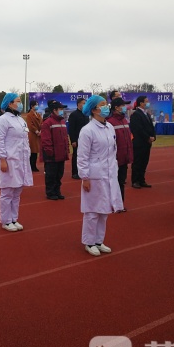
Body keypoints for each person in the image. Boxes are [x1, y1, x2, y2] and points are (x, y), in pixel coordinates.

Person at [78, 95, 123, 256]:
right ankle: (89, 242)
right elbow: (82, 156)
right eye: (102, 105)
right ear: (94, 109)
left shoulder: (109, 127)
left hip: (108, 174)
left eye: (106, 104)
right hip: (94, 175)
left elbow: (112, 152)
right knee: (92, 211)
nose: (106, 107)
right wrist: (85, 177)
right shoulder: (87, 130)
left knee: (104, 210)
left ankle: (99, 240)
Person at [0, 93, 33, 231]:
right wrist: (2, 159)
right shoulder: (3, 120)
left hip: (21, 160)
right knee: (7, 191)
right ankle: (6, 220)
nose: (20, 103)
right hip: (9, 160)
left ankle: (14, 218)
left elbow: (25, 140)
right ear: (10, 104)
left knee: (17, 191)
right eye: (18, 101)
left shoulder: (21, 120)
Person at [107, 97, 133, 209]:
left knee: (121, 181)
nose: (124, 107)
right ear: (116, 107)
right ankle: (112, 203)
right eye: (122, 105)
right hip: (115, 158)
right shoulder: (109, 122)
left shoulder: (124, 120)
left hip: (124, 156)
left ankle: (120, 203)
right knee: (113, 182)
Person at [41, 100, 69, 200]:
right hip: (52, 155)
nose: (62, 111)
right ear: (54, 110)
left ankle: (57, 191)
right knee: (51, 175)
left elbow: (65, 137)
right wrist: (49, 152)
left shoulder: (62, 121)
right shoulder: (47, 122)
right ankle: (50, 192)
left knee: (59, 174)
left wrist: (66, 150)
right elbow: (46, 139)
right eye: (60, 109)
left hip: (61, 153)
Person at [129, 95, 156, 188]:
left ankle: (142, 180)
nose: (148, 103)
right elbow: (137, 129)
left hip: (147, 143)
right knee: (138, 162)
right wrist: (147, 137)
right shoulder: (136, 114)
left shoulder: (147, 114)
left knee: (144, 161)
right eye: (146, 101)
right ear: (141, 103)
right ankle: (135, 181)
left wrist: (153, 137)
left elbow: (151, 127)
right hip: (139, 142)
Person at [68, 98, 89, 179]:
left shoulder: (86, 115)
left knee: (85, 156)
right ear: (78, 104)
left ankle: (83, 171)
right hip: (77, 139)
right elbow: (71, 129)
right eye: (83, 103)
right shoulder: (74, 114)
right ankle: (75, 172)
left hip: (86, 139)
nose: (84, 105)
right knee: (76, 155)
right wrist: (73, 140)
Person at [26, 100, 43, 172]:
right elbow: (30, 125)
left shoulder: (38, 114)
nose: (37, 106)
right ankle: (31, 165)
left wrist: (41, 130)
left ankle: (34, 165)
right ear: (32, 106)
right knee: (32, 151)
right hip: (32, 135)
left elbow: (42, 123)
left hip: (38, 134)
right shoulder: (29, 115)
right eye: (36, 105)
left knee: (36, 151)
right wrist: (36, 131)